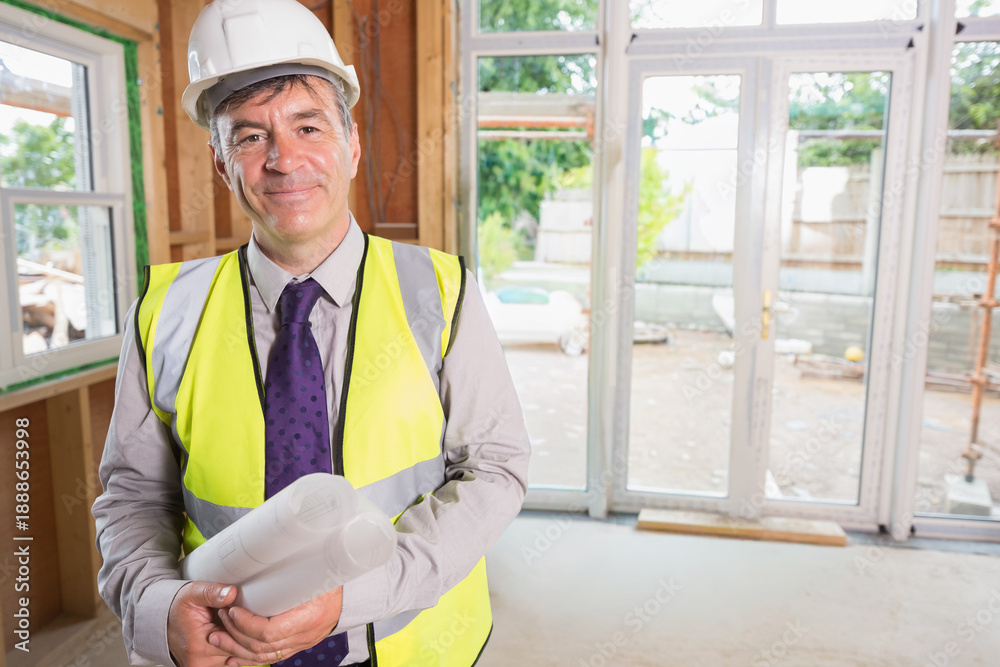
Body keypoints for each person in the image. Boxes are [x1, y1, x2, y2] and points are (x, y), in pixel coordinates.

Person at [91, 1, 530, 665]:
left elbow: (493, 469)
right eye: (249, 136)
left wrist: (356, 594)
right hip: (228, 652)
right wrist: (154, 605)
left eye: (307, 126)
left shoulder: (442, 292)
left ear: (352, 146)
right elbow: (133, 497)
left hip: (408, 645)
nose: (284, 159)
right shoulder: (164, 311)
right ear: (221, 164)